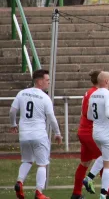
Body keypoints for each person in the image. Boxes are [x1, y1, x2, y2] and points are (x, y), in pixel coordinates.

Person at [10, 69, 62, 199]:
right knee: (42, 163)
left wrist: (13, 124)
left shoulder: (22, 93)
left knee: (27, 161)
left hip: (24, 135)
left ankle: (19, 181)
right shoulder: (45, 97)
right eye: (47, 80)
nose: (49, 83)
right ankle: (39, 192)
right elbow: (51, 117)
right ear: (39, 81)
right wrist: (57, 133)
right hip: (39, 135)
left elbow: (12, 111)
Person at [73, 71, 109, 199]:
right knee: (107, 160)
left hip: (88, 131)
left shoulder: (91, 93)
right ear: (105, 81)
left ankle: (77, 193)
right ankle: (106, 193)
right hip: (93, 131)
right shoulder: (104, 94)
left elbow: (87, 113)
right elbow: (107, 114)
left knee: (85, 162)